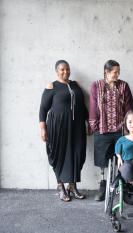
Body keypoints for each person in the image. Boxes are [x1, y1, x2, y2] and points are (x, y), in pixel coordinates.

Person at [39, 60, 87, 202]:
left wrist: (88, 121)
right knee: (59, 154)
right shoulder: (52, 86)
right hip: (57, 127)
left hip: (76, 126)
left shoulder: (75, 85)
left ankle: (72, 186)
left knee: (78, 153)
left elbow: (82, 106)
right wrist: (42, 128)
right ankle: (60, 186)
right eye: (62, 70)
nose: (65, 72)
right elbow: (43, 109)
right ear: (57, 71)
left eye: (67, 69)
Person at [89, 60, 133, 201]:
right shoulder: (96, 86)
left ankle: (121, 184)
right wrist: (94, 126)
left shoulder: (124, 86)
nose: (117, 74)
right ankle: (103, 186)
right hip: (102, 129)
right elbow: (93, 106)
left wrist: (129, 127)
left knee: (123, 158)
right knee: (103, 160)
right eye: (115, 72)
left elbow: (129, 107)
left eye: (118, 72)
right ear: (106, 72)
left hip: (120, 130)